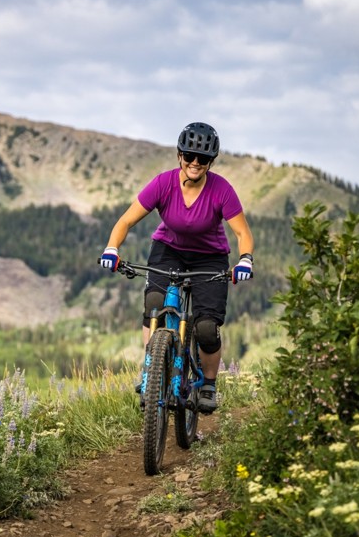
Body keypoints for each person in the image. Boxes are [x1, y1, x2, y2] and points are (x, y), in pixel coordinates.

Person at [99, 122, 254, 413]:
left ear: (211, 161)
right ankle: (152, 368)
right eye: (189, 155)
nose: (195, 162)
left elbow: (242, 232)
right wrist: (112, 248)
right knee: (154, 304)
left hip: (210, 257)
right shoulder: (163, 184)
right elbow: (126, 221)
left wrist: (245, 259)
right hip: (168, 250)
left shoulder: (221, 190)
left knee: (206, 328)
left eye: (203, 158)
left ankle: (208, 384)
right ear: (180, 155)